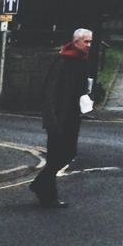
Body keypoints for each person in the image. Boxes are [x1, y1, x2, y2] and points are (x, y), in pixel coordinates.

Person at [29, 27, 93, 208]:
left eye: (90, 42)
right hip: (58, 118)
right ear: (76, 42)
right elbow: (49, 91)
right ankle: (48, 196)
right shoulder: (63, 60)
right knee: (56, 156)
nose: (89, 45)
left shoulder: (82, 61)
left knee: (68, 153)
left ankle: (40, 186)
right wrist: (51, 119)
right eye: (86, 41)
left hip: (73, 116)